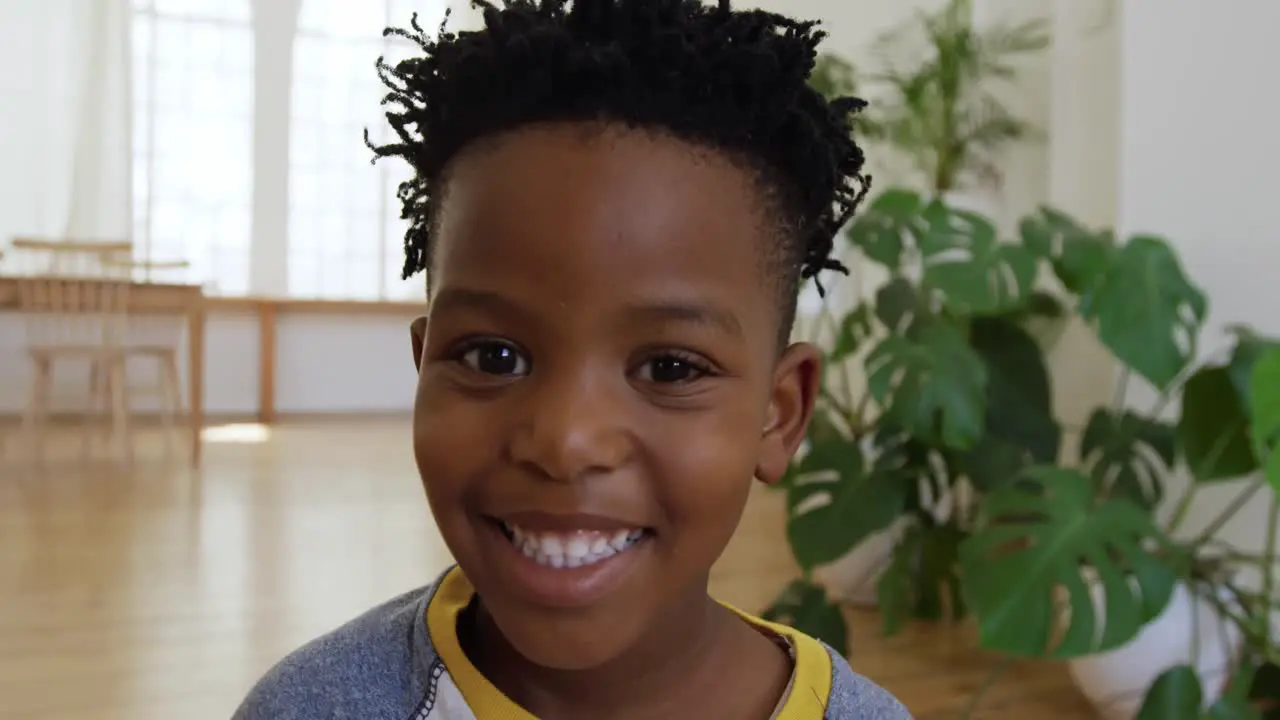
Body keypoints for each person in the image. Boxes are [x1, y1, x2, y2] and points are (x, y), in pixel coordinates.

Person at [234, 0, 911, 717]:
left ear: (779, 415)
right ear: (424, 363)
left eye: (670, 369)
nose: (565, 442)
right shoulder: (312, 706)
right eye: (494, 357)